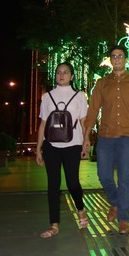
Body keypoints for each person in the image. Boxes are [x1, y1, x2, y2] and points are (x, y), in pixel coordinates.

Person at [84, 46, 129, 235]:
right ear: (110, 60)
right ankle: (115, 202)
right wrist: (86, 136)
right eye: (114, 56)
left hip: (128, 136)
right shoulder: (102, 83)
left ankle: (123, 219)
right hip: (105, 135)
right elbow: (93, 110)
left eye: (120, 56)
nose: (117, 59)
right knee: (103, 175)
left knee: (124, 178)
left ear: (125, 59)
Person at [36, 62, 89, 238]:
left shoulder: (80, 96)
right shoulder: (47, 97)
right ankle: (54, 224)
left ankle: (80, 209)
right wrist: (38, 149)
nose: (61, 75)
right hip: (51, 146)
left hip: (73, 144)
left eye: (65, 72)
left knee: (73, 182)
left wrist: (86, 141)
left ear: (72, 76)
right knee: (53, 185)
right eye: (59, 72)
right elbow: (43, 123)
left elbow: (83, 121)